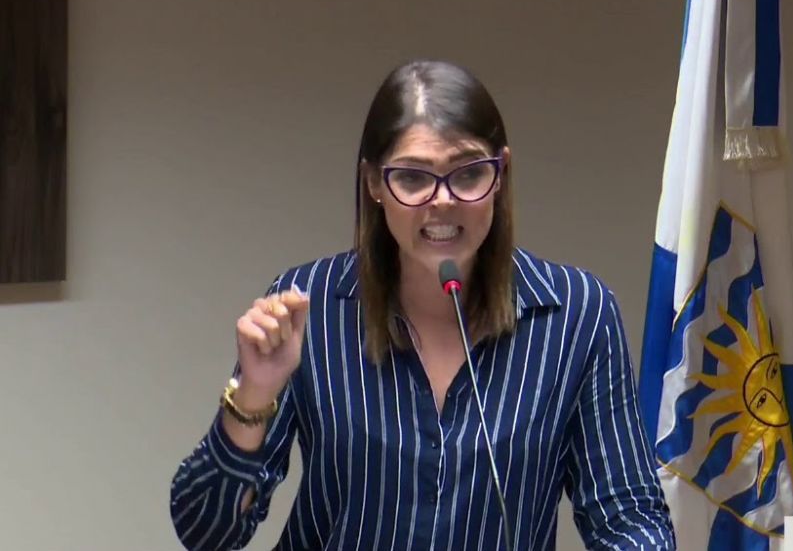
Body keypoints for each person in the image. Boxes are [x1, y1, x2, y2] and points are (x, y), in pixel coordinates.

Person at [169, 60, 676, 550]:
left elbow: (629, 517)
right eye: (413, 178)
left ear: (500, 173)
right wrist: (254, 396)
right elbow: (206, 533)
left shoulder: (577, 315)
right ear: (374, 183)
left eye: (467, 174)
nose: (442, 201)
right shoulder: (311, 306)